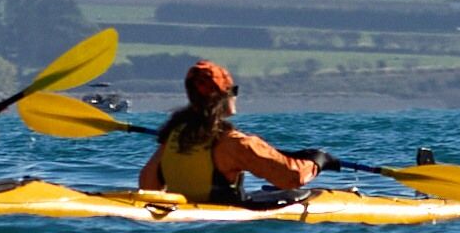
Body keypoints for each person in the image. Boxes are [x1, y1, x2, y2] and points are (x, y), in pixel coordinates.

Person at [138, 58, 328, 206]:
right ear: (223, 96)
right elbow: (292, 178)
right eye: (233, 91)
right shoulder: (234, 142)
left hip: (186, 213)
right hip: (221, 220)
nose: (235, 97)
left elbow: (148, 183)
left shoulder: (173, 136)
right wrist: (318, 161)